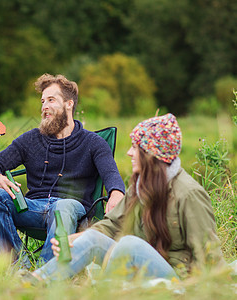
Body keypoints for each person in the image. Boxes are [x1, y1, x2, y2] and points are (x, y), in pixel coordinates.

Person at [30, 113, 225, 281]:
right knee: (93, 239)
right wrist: (77, 238)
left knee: (128, 243)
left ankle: (108, 292)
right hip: (141, 268)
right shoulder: (140, 187)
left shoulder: (190, 194)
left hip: (177, 281)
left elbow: (209, 258)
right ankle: (36, 282)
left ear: (151, 154)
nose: (129, 153)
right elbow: (113, 224)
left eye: (135, 147)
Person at [0, 74, 125, 265]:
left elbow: (111, 174)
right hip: (32, 208)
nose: (44, 107)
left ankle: (44, 273)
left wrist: (115, 193)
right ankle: (19, 268)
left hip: (71, 208)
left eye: (51, 100)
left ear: (69, 104)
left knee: (63, 207)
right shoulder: (31, 139)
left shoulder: (93, 143)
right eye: (42, 101)